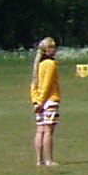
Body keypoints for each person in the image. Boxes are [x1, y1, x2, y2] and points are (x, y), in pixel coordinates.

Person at [30, 36, 61, 167]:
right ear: (47, 49)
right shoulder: (51, 64)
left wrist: (35, 100)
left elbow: (34, 84)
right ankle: (49, 160)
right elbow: (47, 84)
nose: (55, 49)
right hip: (49, 100)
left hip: (39, 101)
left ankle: (39, 160)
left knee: (40, 130)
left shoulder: (39, 64)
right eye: (53, 47)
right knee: (48, 131)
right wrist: (41, 101)